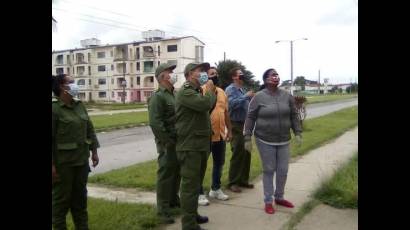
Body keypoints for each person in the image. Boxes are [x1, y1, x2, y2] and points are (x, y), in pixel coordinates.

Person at [243, 68, 302, 214]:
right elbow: (250, 117)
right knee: (269, 170)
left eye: (277, 74)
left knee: (283, 170)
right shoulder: (259, 97)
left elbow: (294, 115)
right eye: (272, 75)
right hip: (264, 139)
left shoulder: (287, 96)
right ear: (265, 80)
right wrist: (247, 137)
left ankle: (279, 197)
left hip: (284, 140)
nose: (275, 77)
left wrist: (298, 132)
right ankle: (268, 201)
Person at [52, 74, 100, 230]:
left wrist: (94, 151)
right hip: (63, 165)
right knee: (61, 202)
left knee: (80, 200)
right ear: (61, 87)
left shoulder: (79, 105)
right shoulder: (54, 109)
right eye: (71, 82)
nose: (75, 85)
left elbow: (89, 129)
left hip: (81, 161)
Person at [175, 62, 216, 230]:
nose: (205, 73)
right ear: (191, 73)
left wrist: (208, 91)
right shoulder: (185, 91)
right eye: (201, 71)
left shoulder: (197, 91)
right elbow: (205, 104)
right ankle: (188, 224)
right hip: (190, 145)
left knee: (195, 185)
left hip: (199, 144)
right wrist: (211, 89)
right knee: (189, 187)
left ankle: (193, 215)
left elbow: (209, 106)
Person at [148, 63, 180, 224]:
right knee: (166, 175)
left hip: (178, 140)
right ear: (162, 76)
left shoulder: (173, 94)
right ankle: (163, 209)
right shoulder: (158, 96)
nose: (173, 74)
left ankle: (174, 200)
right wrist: (167, 142)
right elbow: (155, 123)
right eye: (170, 72)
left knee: (176, 173)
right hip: (167, 142)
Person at [197, 67, 232, 206]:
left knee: (219, 163)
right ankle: (199, 193)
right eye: (212, 74)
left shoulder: (223, 92)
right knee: (201, 165)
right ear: (206, 76)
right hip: (205, 135)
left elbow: (226, 113)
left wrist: (230, 130)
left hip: (220, 135)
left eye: (216, 74)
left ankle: (215, 189)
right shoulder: (201, 90)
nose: (215, 76)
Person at [225, 67, 255, 193]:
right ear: (234, 77)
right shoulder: (230, 89)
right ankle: (233, 182)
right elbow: (231, 104)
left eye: (242, 74)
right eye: (239, 74)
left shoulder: (242, 90)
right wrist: (245, 97)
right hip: (236, 124)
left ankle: (243, 180)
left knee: (247, 151)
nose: (242, 76)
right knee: (238, 152)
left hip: (245, 124)